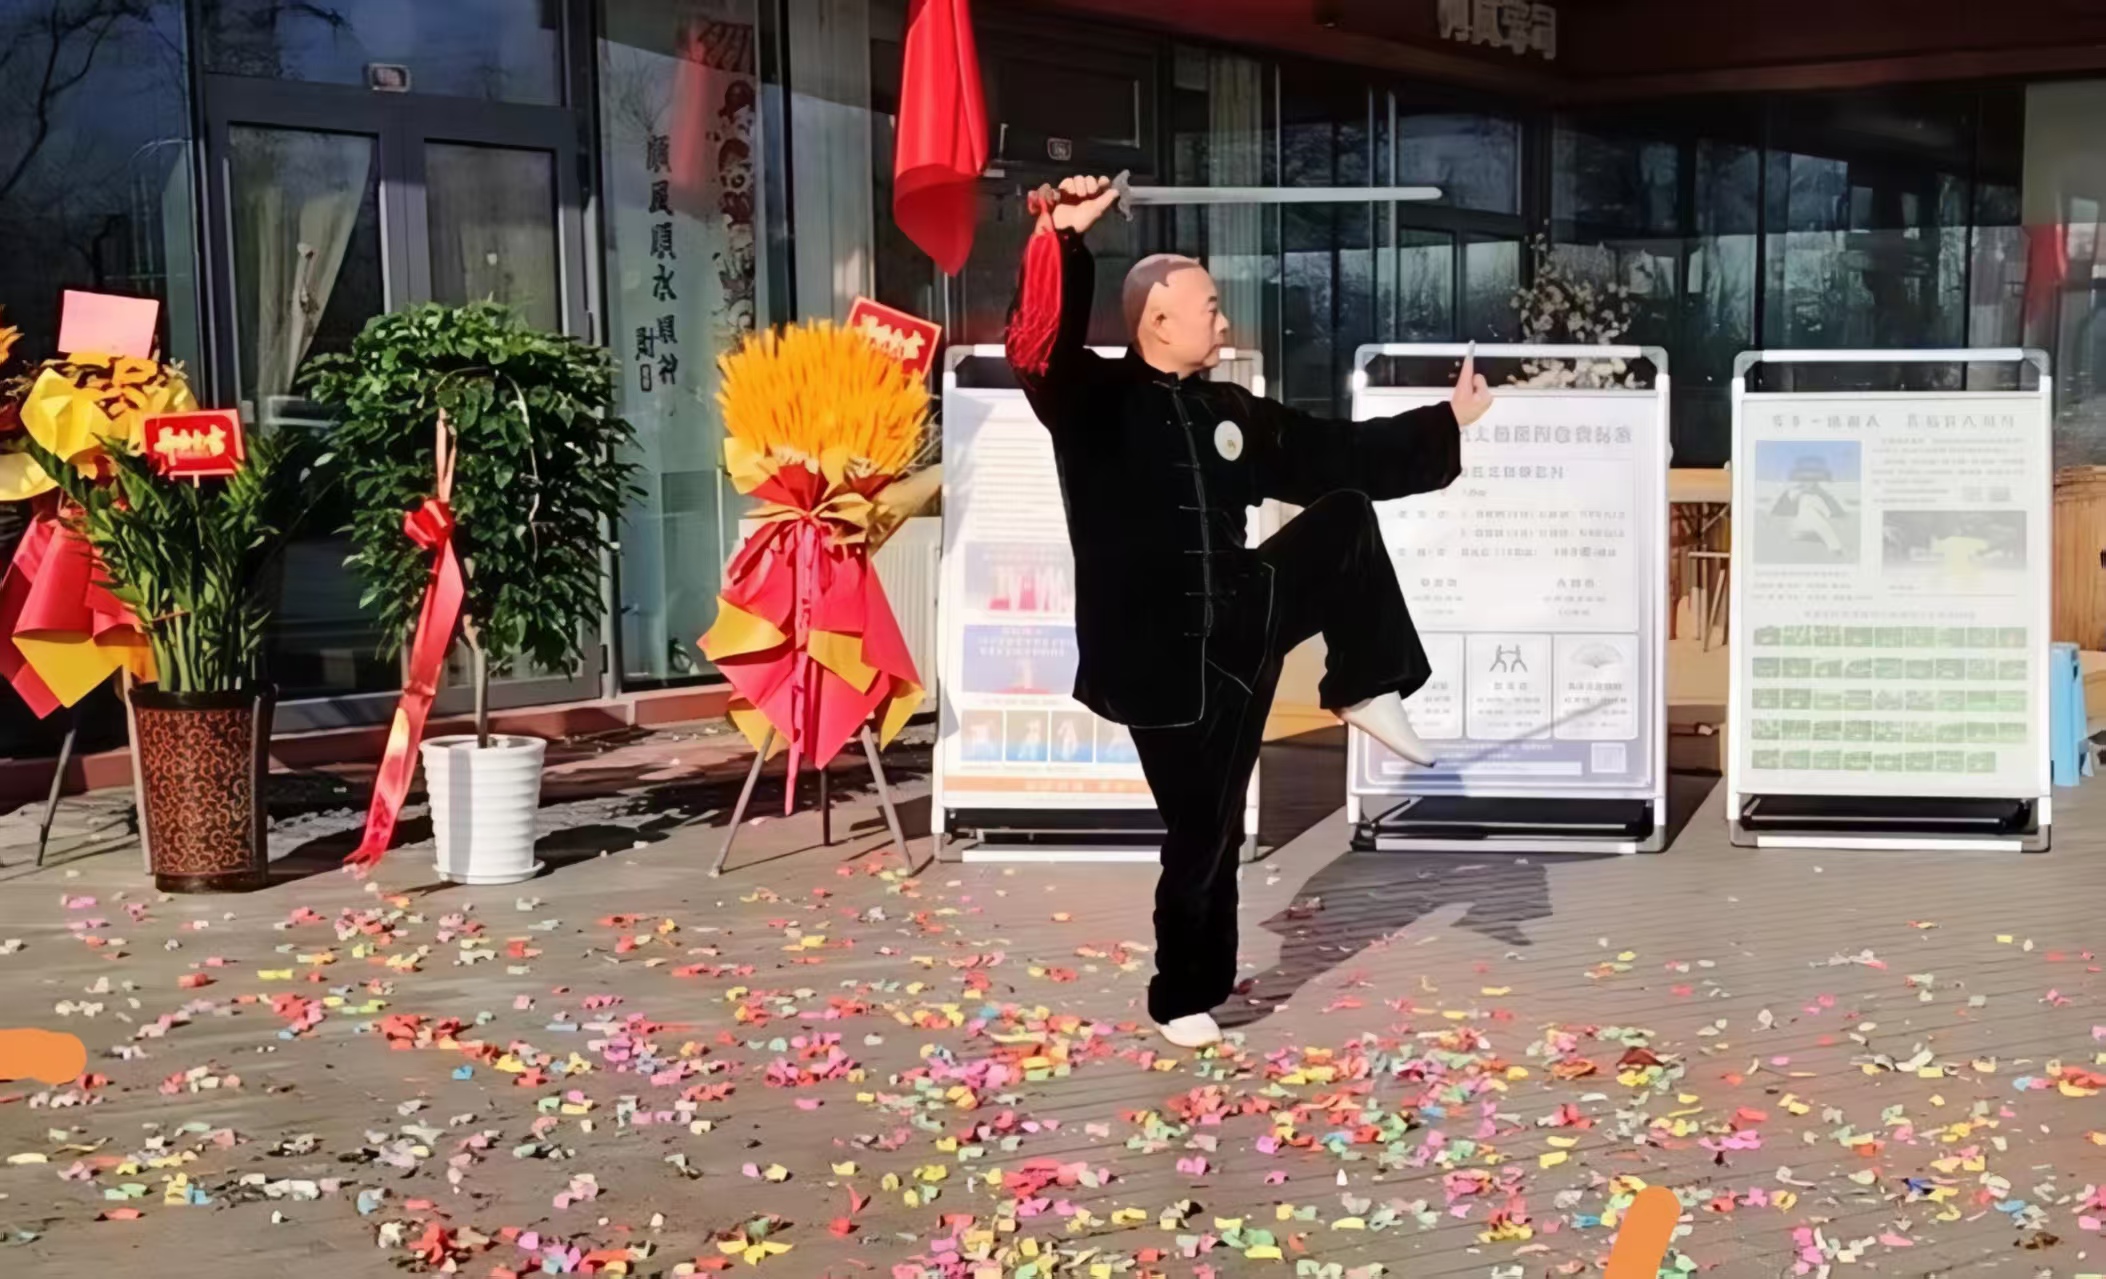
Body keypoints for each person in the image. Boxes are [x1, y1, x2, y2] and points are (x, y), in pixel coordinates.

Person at [1005, 174, 1494, 1048]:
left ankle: (1364, 682)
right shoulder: (1091, 402)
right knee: (1205, 828)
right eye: (1210, 309)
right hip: (1154, 661)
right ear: (1158, 322)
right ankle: (1183, 993)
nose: (1225, 323)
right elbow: (1037, 344)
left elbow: (1335, 451)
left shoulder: (1231, 411)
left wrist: (1446, 422)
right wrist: (1065, 239)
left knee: (1344, 514)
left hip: (1241, 623)